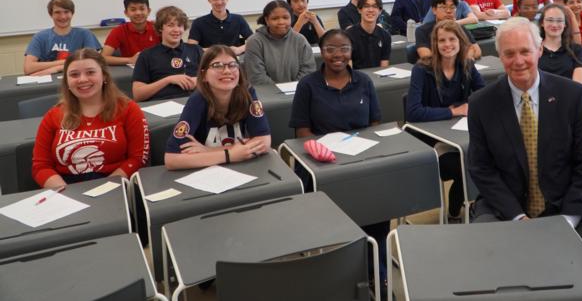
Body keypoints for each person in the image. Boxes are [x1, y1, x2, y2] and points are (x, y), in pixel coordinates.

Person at [467, 17, 582, 299]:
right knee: (482, 275)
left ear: (539, 51)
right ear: (500, 57)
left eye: (525, 51)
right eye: (509, 54)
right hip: (506, 207)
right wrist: (517, 216)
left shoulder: (570, 94)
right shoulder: (482, 103)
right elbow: (481, 169)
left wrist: (568, 219)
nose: (518, 60)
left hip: (569, 203)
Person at [288, 30, 389, 294]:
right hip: (322, 164)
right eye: (331, 49)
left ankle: (376, 271)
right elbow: (301, 131)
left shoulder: (364, 81)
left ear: (351, 51)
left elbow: (375, 123)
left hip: (361, 159)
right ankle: (344, 268)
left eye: (344, 48)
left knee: (379, 206)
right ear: (321, 51)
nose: (338, 55)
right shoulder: (308, 85)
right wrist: (321, 151)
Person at [32, 49, 150, 188]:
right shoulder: (53, 115)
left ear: (104, 76)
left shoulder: (129, 109)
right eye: (74, 75)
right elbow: (41, 166)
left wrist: (106, 188)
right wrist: (66, 194)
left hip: (115, 184)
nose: (82, 79)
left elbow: (137, 159)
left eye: (90, 72)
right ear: (67, 81)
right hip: (66, 188)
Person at [406, 20, 485, 220]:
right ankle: (455, 209)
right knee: (464, 163)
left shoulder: (467, 65)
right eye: (442, 40)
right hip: (428, 140)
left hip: (458, 133)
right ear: (435, 43)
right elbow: (413, 112)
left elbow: (484, 95)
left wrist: (469, 107)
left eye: (452, 39)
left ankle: (480, 204)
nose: (447, 44)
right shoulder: (422, 70)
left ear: (461, 41)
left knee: (485, 155)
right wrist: (454, 111)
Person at [164, 45, 271, 170]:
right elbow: (171, 159)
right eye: (217, 65)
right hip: (205, 171)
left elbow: (264, 142)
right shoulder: (197, 100)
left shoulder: (247, 93)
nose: (227, 71)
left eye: (232, 65)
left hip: (240, 166)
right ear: (203, 75)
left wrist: (208, 151)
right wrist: (229, 154)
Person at [132, 6, 203, 102]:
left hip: (194, 102)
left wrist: (199, 81)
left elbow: (214, 79)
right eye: (171, 25)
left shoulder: (195, 50)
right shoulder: (146, 55)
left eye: (180, 25)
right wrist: (168, 80)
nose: (176, 30)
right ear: (161, 28)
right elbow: (138, 95)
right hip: (160, 105)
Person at [24, 0, 102, 76]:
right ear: (51, 15)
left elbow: (94, 62)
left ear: (72, 13)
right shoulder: (40, 37)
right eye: (57, 12)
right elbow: (28, 68)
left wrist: (56, 68)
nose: (63, 17)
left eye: (66, 12)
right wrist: (66, 63)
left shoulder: (85, 34)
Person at [244, 0, 315, 86]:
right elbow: (257, 76)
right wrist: (279, 92)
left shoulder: (300, 40)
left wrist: (296, 88)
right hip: (267, 95)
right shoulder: (255, 42)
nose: (281, 22)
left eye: (285, 18)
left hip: (298, 92)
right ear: (267, 20)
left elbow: (308, 70)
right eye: (275, 18)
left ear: (291, 19)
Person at [415, 0, 482, 64]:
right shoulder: (422, 30)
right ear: (434, 10)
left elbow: (477, 51)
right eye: (443, 7)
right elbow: (426, 56)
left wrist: (464, 59)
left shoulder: (460, 28)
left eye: (452, 7)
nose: (448, 11)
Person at [187, 0, 253, 56]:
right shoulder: (198, 22)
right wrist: (214, 51)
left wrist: (239, 49)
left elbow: (254, 41)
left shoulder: (238, 19)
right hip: (209, 62)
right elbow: (191, 48)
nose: (219, 2)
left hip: (233, 62)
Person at [538, 4, 582, 87]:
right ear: (542, 23)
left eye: (559, 21)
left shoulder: (578, 50)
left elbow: (577, 86)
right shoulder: (533, 49)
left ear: (565, 24)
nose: (554, 25)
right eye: (550, 20)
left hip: (568, 97)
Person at [102, 0, 158, 66]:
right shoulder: (118, 31)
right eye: (133, 9)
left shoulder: (158, 28)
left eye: (142, 9)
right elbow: (103, 58)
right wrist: (130, 60)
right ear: (126, 13)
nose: (138, 13)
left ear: (148, 11)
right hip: (133, 70)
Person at [346, 0, 391, 69]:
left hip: (378, 78)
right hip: (357, 78)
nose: (371, 10)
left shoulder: (385, 36)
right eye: (366, 6)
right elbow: (348, 70)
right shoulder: (348, 36)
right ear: (359, 10)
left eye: (375, 6)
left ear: (380, 11)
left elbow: (384, 67)